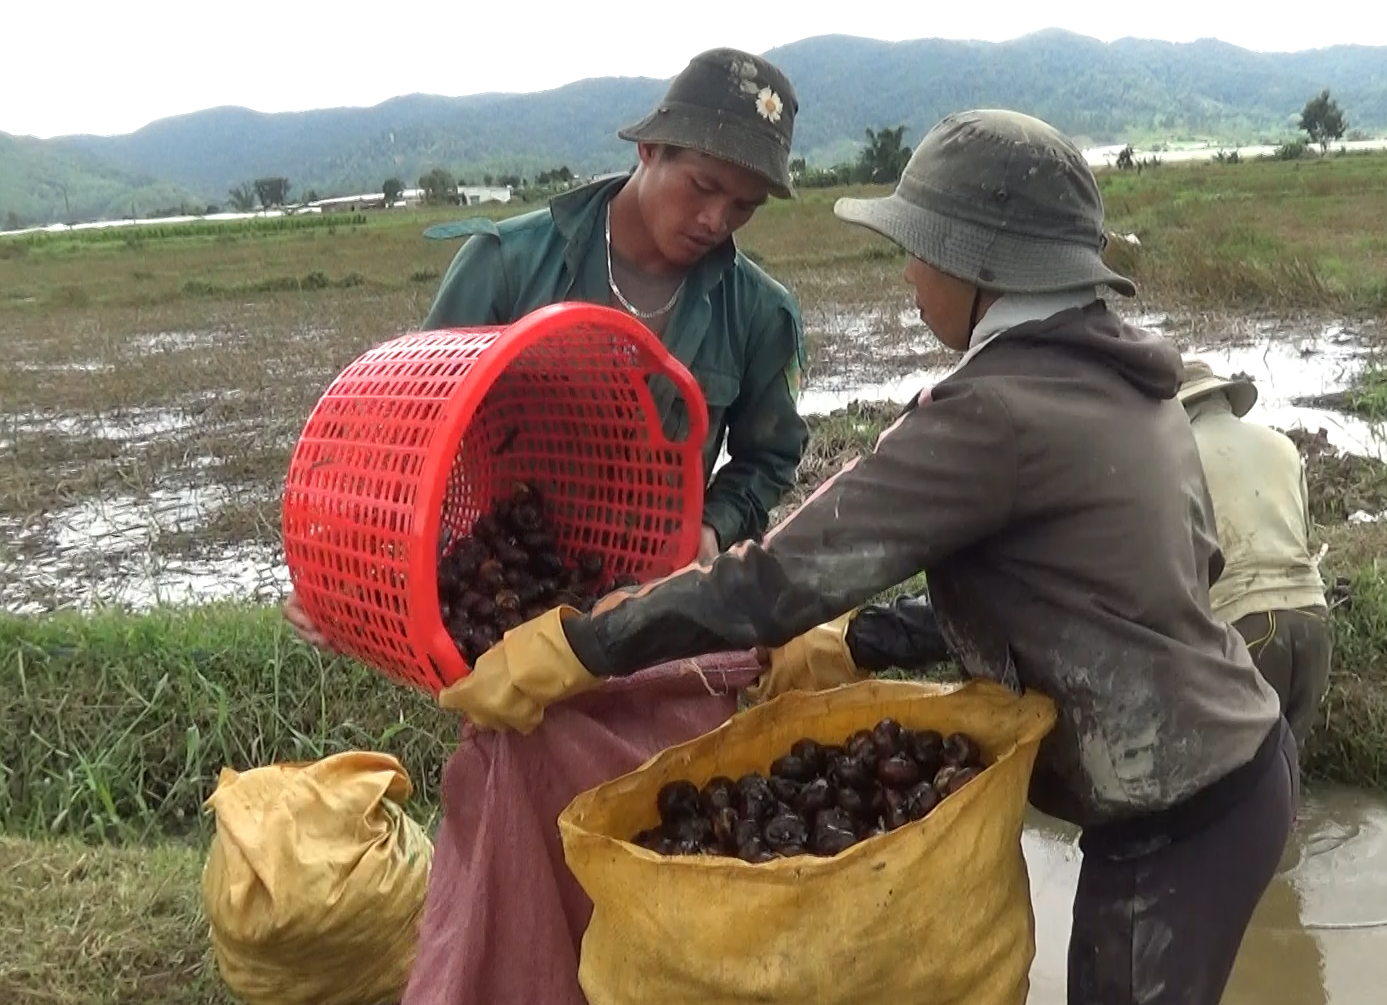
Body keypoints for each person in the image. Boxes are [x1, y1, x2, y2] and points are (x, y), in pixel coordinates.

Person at [443, 108, 1298, 1005]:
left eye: (916, 250)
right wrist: (869, 641)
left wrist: (582, 643)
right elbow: (1138, 584)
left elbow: (774, 580)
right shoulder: (1127, 377)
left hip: (1172, 816)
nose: (909, 273)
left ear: (977, 266)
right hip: (1239, 768)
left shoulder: (992, 413)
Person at [283, 46, 809, 647]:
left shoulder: (762, 314)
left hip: (661, 616)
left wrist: (715, 526)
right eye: (703, 187)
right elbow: (408, 437)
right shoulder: (507, 267)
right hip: (513, 602)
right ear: (649, 149)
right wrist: (357, 568)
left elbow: (769, 457)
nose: (717, 219)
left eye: (744, 205)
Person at [1178, 360, 1334, 746]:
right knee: (1288, 773)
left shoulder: (1176, 458)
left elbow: (1177, 565)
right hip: (1313, 620)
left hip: (1245, 628)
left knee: (1242, 782)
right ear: (1225, 400)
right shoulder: (1281, 444)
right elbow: (1303, 533)